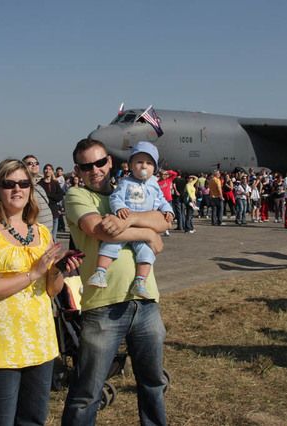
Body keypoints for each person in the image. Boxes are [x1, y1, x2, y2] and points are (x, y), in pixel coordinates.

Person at [62, 138, 169, 425]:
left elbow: (164, 221)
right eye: (86, 166)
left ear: (109, 162)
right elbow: (98, 229)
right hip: (104, 307)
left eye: (99, 162)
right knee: (87, 391)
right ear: (78, 170)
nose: (94, 170)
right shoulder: (76, 195)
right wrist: (146, 233)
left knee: (153, 384)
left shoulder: (132, 189)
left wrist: (131, 218)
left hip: (145, 303)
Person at [0, 159, 81, 425]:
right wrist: (33, 273)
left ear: (30, 189)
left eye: (23, 183)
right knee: (1, 420)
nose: (17, 189)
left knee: (33, 418)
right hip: (2, 341)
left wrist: (58, 270)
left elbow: (51, 291)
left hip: (39, 339)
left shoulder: (41, 233)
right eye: (9, 184)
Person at [87, 141, 174, 298]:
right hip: (124, 222)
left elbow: (162, 200)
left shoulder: (155, 184)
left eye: (148, 163)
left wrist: (168, 211)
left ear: (154, 168)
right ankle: (100, 272)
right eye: (139, 162)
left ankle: (140, 282)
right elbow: (115, 198)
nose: (143, 166)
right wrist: (119, 208)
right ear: (131, 165)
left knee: (146, 253)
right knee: (111, 244)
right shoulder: (126, 182)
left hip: (143, 226)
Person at [22, 155, 55, 231]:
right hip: (35, 235)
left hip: (47, 234)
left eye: (36, 163)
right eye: (30, 163)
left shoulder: (39, 187)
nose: (34, 165)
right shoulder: (23, 188)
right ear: (23, 168)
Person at [40, 163, 65, 240]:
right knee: (44, 238)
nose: (47, 171)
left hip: (54, 212)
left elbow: (60, 196)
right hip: (43, 214)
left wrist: (49, 196)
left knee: (53, 238)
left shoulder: (55, 183)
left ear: (52, 171)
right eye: (46, 169)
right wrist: (53, 197)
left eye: (50, 169)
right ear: (43, 171)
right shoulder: (39, 184)